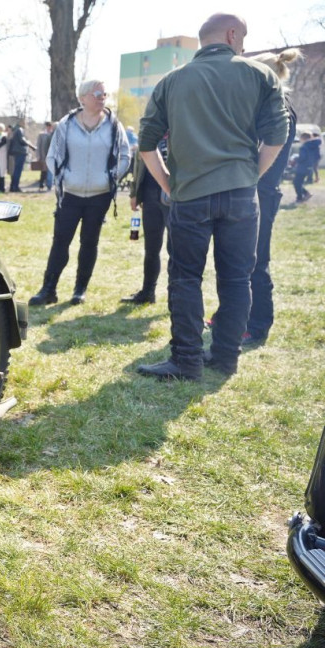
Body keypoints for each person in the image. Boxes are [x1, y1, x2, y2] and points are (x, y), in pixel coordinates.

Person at [136, 13, 288, 380]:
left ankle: (187, 361)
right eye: (244, 38)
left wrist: (168, 183)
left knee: (185, 278)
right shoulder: (260, 74)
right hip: (240, 193)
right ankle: (225, 358)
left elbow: (145, 143)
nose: (245, 46)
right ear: (232, 34)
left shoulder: (173, 80)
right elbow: (278, 135)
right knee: (237, 279)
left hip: (190, 195)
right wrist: (252, 176)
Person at [29, 79, 130, 306]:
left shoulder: (114, 125)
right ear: (82, 98)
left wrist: (110, 177)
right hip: (70, 195)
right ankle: (48, 290)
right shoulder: (66, 124)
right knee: (60, 242)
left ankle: (79, 290)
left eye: (104, 94)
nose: (101, 97)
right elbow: (52, 156)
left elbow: (125, 155)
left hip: (100, 195)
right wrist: (65, 177)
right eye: (96, 94)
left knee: (89, 242)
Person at [242, 49, 300, 344]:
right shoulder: (267, 104)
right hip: (253, 190)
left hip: (262, 193)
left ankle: (258, 325)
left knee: (255, 261)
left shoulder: (279, 108)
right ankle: (236, 316)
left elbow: (266, 156)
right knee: (239, 259)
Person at [120, 134, 170, 304]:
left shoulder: (182, 122)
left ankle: (177, 296)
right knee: (151, 248)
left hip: (175, 195)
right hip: (150, 194)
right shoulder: (150, 128)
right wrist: (135, 193)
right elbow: (138, 164)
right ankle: (148, 292)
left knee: (178, 250)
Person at [7, 119, 34, 192]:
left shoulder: (15, 129)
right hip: (20, 152)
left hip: (16, 152)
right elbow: (22, 140)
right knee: (18, 170)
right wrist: (31, 145)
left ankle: (13, 186)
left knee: (16, 170)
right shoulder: (19, 130)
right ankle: (15, 187)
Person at [293, 132, 315, 203]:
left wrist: (296, 159)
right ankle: (305, 194)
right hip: (309, 167)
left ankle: (300, 197)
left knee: (296, 182)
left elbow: (302, 157)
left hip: (302, 168)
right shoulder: (312, 146)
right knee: (299, 182)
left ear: (303, 138)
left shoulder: (304, 146)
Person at [36, 121, 54, 191]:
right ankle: (41, 184)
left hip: (50, 156)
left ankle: (49, 185)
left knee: (50, 171)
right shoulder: (42, 135)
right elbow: (39, 145)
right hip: (43, 155)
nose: (49, 128)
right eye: (48, 126)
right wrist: (38, 155)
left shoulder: (52, 134)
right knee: (43, 171)